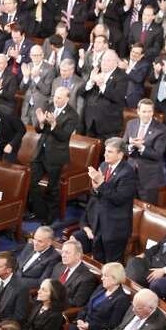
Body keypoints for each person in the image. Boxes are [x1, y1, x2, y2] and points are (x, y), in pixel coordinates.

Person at [74, 137, 138, 264]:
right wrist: (95, 187)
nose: (105, 154)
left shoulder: (128, 172)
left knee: (111, 265)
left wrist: (101, 184)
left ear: (120, 154)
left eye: (109, 152)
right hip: (99, 224)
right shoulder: (103, 166)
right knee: (98, 262)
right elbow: (96, 194)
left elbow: (119, 198)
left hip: (115, 228)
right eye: (105, 151)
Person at [26, 86, 78, 225]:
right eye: (55, 96)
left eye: (59, 97)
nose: (56, 99)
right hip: (40, 152)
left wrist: (54, 124)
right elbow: (38, 130)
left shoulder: (72, 115)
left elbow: (63, 136)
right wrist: (41, 123)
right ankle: (39, 212)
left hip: (56, 156)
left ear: (67, 98)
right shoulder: (49, 106)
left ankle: (50, 216)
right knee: (30, 182)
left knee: (52, 188)